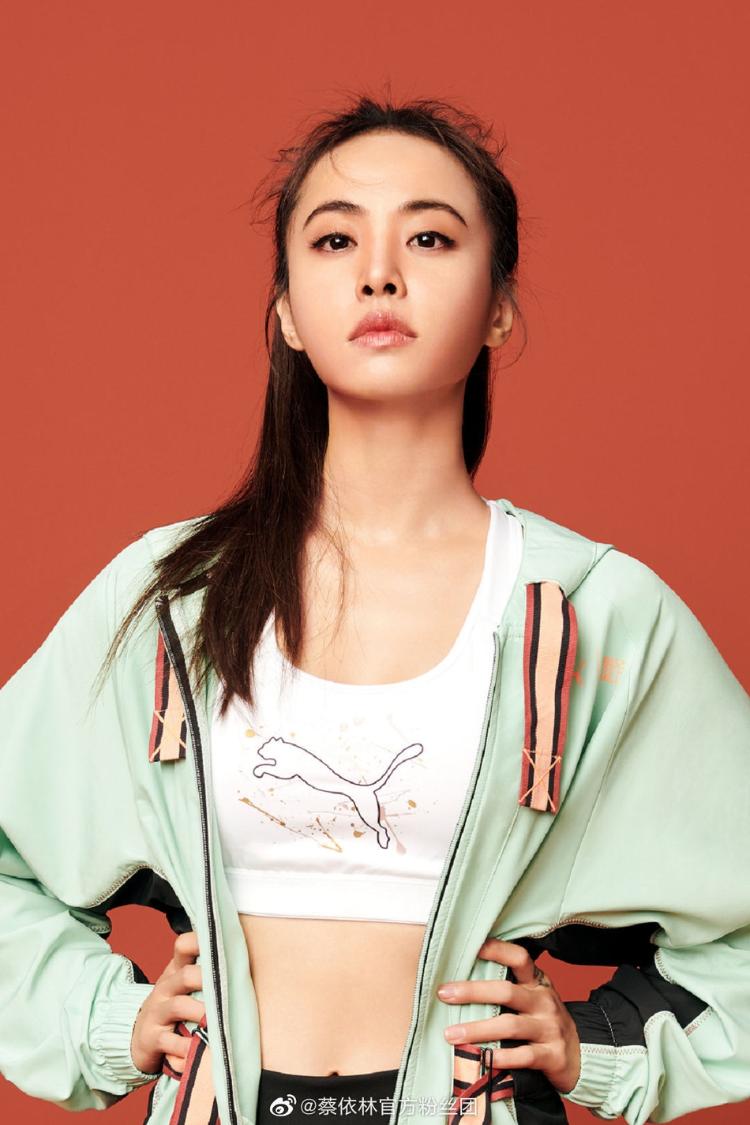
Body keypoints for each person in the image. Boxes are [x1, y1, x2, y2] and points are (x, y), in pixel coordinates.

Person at [1, 92, 749, 1125]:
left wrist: (599, 1047)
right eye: (336, 239)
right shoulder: (174, 598)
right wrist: (102, 1018)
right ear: (286, 310)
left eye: (430, 237)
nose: (379, 273)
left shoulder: (593, 612)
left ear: (500, 305)